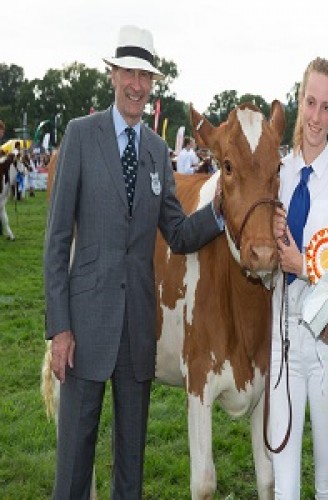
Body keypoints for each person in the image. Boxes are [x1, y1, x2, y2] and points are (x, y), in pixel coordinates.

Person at [44, 25, 223, 499]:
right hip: (83, 330)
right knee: (73, 470)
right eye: (129, 72)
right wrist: (59, 329)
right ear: (112, 75)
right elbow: (57, 240)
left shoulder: (158, 152)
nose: (137, 85)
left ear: (152, 84)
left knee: (131, 471)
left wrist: (222, 211)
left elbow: (179, 233)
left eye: (146, 76)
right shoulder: (80, 136)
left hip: (137, 333)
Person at [270, 57, 328, 499]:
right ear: (299, 99)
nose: (316, 117)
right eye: (310, 103)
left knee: (326, 484)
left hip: (325, 341)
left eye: (326, 107)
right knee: (284, 482)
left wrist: (301, 264)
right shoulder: (277, 173)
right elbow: (260, 258)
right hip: (280, 338)